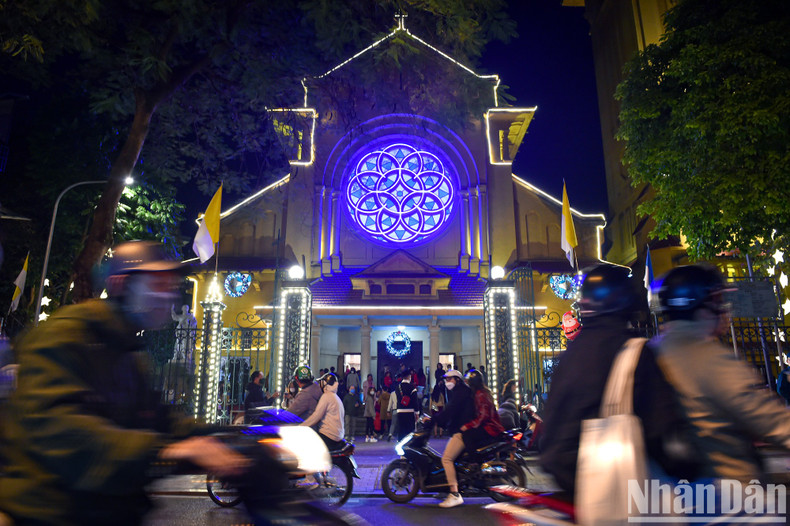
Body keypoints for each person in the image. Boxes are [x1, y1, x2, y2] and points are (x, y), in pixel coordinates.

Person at [0, 241, 247, 525]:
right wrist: (166, 450)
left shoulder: (128, 351)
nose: (168, 295)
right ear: (120, 284)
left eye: (171, 284)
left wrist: (232, 438)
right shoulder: (65, 335)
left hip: (109, 512)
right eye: (157, 283)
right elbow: (64, 432)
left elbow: (160, 420)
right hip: (51, 511)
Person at [540, 263, 693, 498]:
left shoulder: (570, 354)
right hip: (619, 488)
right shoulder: (635, 351)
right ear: (626, 302)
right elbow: (661, 428)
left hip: (571, 484)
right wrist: (687, 465)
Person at [654, 265, 790, 484]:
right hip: (728, 489)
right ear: (701, 306)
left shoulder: (654, 349)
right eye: (717, 300)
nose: (724, 309)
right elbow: (770, 420)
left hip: (673, 489)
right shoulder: (711, 359)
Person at [300, 373, 345, 451]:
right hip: (338, 435)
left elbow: (316, 416)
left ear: (324, 383)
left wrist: (302, 426)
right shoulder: (336, 397)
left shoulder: (326, 396)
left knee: (307, 446)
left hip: (328, 435)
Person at [394, 373, 419, 440]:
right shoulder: (412, 387)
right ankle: (409, 444)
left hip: (400, 410)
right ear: (409, 377)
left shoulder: (398, 387)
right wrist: (417, 412)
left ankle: (400, 443)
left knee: (401, 429)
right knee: (409, 430)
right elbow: (415, 401)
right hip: (410, 411)